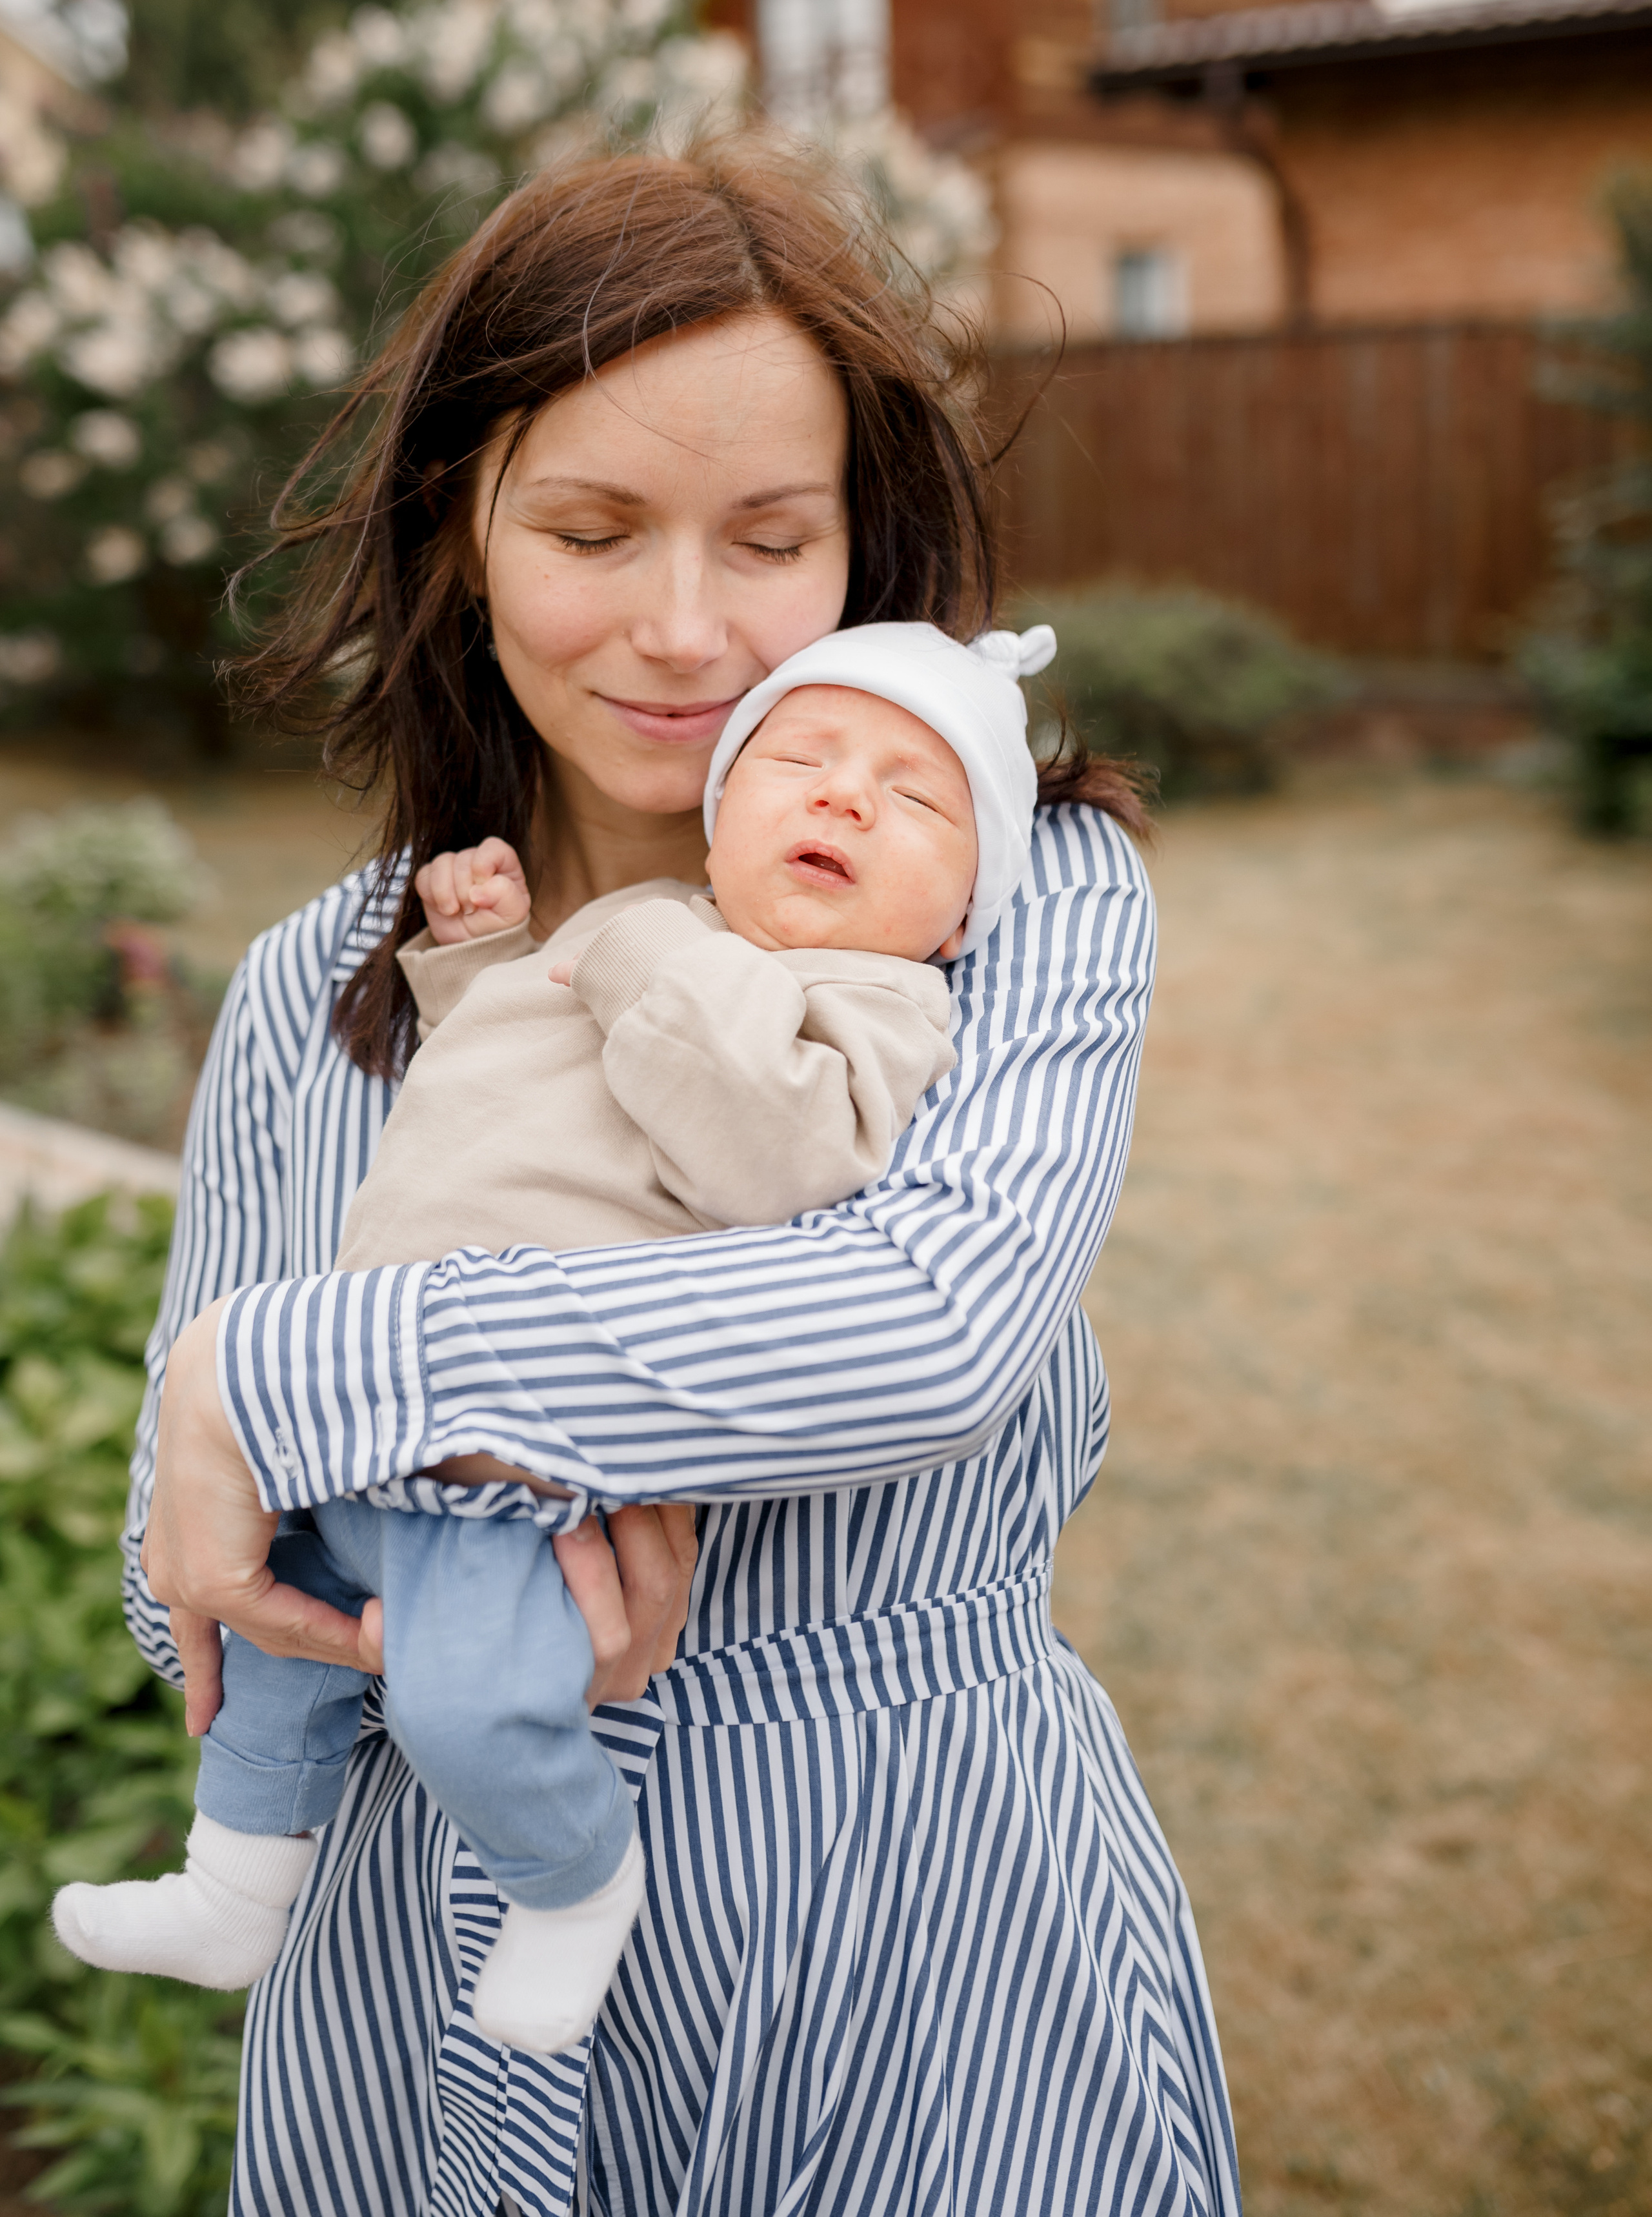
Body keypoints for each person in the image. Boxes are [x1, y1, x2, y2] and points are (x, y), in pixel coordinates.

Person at [126, 143, 1243, 2216]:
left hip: (904, 1929)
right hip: (423, 1966)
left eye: (770, 538)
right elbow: (175, 1563)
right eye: (589, 525)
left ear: (863, 546)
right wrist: (423, 1618)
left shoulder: (1011, 901)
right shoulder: (326, 981)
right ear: (463, 528)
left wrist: (282, 1375)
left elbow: (920, 1327)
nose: (682, 627)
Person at [57, 619, 1046, 2059]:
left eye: (914, 799)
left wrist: (635, 940)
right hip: (344, 1423)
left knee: (468, 1700)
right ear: (723, 814)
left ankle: (572, 1882)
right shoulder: (649, 931)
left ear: (959, 914)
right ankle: (234, 1884)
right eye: (802, 761)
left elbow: (764, 1152)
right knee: (274, 1645)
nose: (845, 798)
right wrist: (482, 964)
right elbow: (510, 1086)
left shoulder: (876, 1000)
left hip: (508, 1450)